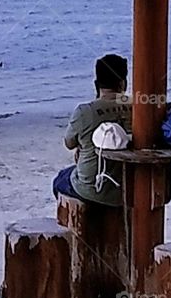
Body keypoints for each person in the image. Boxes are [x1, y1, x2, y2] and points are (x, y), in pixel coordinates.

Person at [53, 54, 132, 206]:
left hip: (92, 187)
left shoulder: (85, 111)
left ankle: (78, 225)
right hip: (129, 186)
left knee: (60, 179)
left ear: (97, 83)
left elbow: (69, 143)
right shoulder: (137, 107)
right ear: (123, 84)